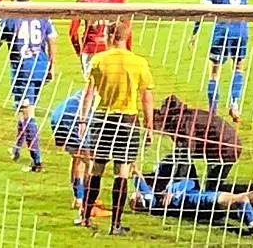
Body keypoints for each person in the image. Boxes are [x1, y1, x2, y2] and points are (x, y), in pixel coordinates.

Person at [78, 22, 155, 236]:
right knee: (122, 171)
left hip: (103, 118)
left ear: (110, 36)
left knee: (97, 169)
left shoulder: (98, 60)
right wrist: (149, 126)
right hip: (127, 120)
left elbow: (89, 93)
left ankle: (85, 217)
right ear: (126, 36)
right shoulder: (139, 63)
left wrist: (83, 121)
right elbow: (146, 97)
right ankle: (116, 224)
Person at [0, 0, 56, 172]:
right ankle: (16, 149)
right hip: (41, 67)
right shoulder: (42, 14)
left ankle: (37, 161)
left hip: (23, 71)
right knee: (26, 110)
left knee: (27, 114)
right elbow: (52, 40)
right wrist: (52, 66)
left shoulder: (11, 18)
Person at [190, 0, 249, 123]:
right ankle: (234, 104)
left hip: (222, 29)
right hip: (241, 29)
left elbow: (203, 10)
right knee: (238, 67)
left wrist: (195, 33)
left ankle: (213, 112)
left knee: (214, 73)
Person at [130, 169, 253, 231]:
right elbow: (144, 190)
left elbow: (191, 183)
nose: (136, 195)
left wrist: (172, 190)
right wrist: (136, 173)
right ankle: (252, 222)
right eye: (135, 198)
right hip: (201, 203)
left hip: (205, 195)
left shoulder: (166, 192)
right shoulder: (155, 204)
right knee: (241, 199)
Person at [153, 94, 242, 191]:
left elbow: (188, 149)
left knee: (212, 190)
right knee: (179, 157)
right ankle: (194, 187)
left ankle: (252, 190)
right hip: (221, 146)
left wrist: (176, 181)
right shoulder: (183, 117)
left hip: (226, 148)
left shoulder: (182, 122)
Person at [50, 92, 111, 220]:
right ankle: (86, 205)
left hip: (59, 112)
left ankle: (79, 197)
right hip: (76, 115)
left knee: (78, 157)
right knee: (91, 162)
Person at [69, 0, 131, 78]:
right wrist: (127, 49)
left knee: (91, 90)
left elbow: (73, 32)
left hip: (90, 49)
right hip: (113, 50)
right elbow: (126, 29)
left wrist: (79, 50)